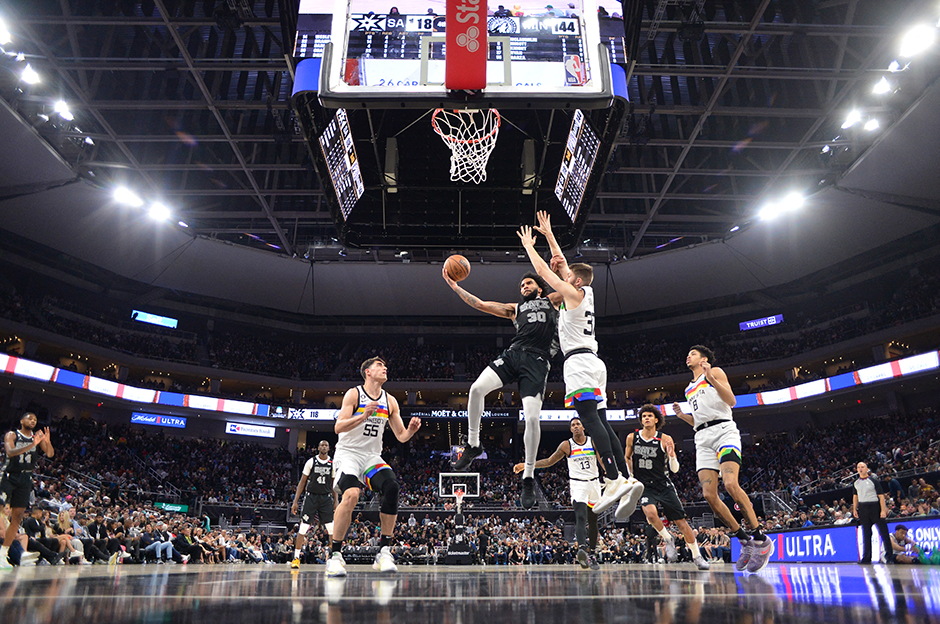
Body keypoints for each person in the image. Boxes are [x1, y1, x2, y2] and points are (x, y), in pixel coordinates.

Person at [517, 212, 639, 515]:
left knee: (589, 419)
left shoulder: (572, 291)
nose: (564, 276)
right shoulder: (586, 293)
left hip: (580, 364)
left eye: (568, 276)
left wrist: (529, 246)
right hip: (595, 363)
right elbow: (559, 261)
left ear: (577, 280)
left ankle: (611, 478)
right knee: (603, 421)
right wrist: (548, 234)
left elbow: (546, 270)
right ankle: (625, 477)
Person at [443, 264, 560, 510]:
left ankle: (528, 476)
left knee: (531, 419)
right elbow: (481, 304)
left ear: (539, 287)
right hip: (513, 355)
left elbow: (571, 284)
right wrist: (455, 287)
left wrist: (556, 263)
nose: (524, 286)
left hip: (537, 361)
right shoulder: (514, 309)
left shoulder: (552, 300)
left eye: (528, 283)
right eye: (521, 285)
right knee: (476, 389)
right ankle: (474, 444)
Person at [672, 345, 774, 573]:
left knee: (730, 483)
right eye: (688, 353)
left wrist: (711, 378)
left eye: (693, 353)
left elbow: (731, 401)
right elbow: (699, 420)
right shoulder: (688, 388)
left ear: (704, 359)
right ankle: (744, 539)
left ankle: (761, 539)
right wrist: (682, 416)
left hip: (724, 431)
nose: (688, 355)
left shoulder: (715, 372)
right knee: (709, 495)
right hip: (703, 437)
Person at [326, 357, 421, 577]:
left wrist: (411, 431)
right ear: (368, 372)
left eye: (385, 366)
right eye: (379, 366)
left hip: (371, 456)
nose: (385, 368)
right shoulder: (354, 394)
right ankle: (335, 556)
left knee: (392, 487)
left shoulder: (390, 401)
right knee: (351, 495)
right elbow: (338, 427)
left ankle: (384, 551)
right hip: (348, 454)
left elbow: (401, 436)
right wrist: (362, 416)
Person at [624, 404, 710, 570]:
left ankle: (697, 556)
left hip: (663, 484)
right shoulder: (631, 438)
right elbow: (627, 458)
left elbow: (675, 469)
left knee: (682, 523)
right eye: (643, 416)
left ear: (656, 419)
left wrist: (671, 456)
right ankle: (667, 537)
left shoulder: (665, 439)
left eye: (649, 416)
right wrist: (631, 477)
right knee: (650, 513)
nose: (646, 418)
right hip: (643, 485)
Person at [513, 417, 601, 569]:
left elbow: (603, 461)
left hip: (594, 483)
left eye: (578, 424)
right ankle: (582, 549)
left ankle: (592, 554)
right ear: (570, 429)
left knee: (593, 521)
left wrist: (614, 476)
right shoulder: (567, 445)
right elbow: (549, 461)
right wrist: (526, 466)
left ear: (583, 427)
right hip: (577, 483)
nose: (575, 427)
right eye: (573, 425)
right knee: (580, 516)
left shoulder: (593, 442)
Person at [0, 411, 54, 569]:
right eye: (30, 418)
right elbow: (10, 452)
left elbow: (50, 454)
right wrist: (33, 444)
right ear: (22, 420)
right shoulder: (12, 434)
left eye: (35, 419)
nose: (33, 421)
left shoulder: (37, 438)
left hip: (25, 478)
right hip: (9, 475)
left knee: (17, 517)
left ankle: (3, 554)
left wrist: (47, 442)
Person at [290, 439, 336, 569]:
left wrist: (336, 501)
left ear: (328, 448)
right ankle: (296, 558)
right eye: (321, 444)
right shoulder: (311, 462)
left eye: (326, 445)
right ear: (318, 447)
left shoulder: (332, 463)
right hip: (311, 497)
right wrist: (295, 501)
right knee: (303, 528)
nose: (324, 446)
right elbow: (302, 482)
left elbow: (334, 485)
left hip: (326, 498)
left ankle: (333, 558)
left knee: (331, 529)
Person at [853, 461, 894, 564]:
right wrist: (854, 509)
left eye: (862, 466)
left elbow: (881, 496)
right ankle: (866, 558)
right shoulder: (856, 483)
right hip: (863, 508)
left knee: (884, 533)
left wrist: (883, 510)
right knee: (866, 534)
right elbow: (855, 497)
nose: (860, 468)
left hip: (875, 506)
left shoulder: (873, 481)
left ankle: (889, 557)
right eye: (858, 467)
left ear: (867, 469)